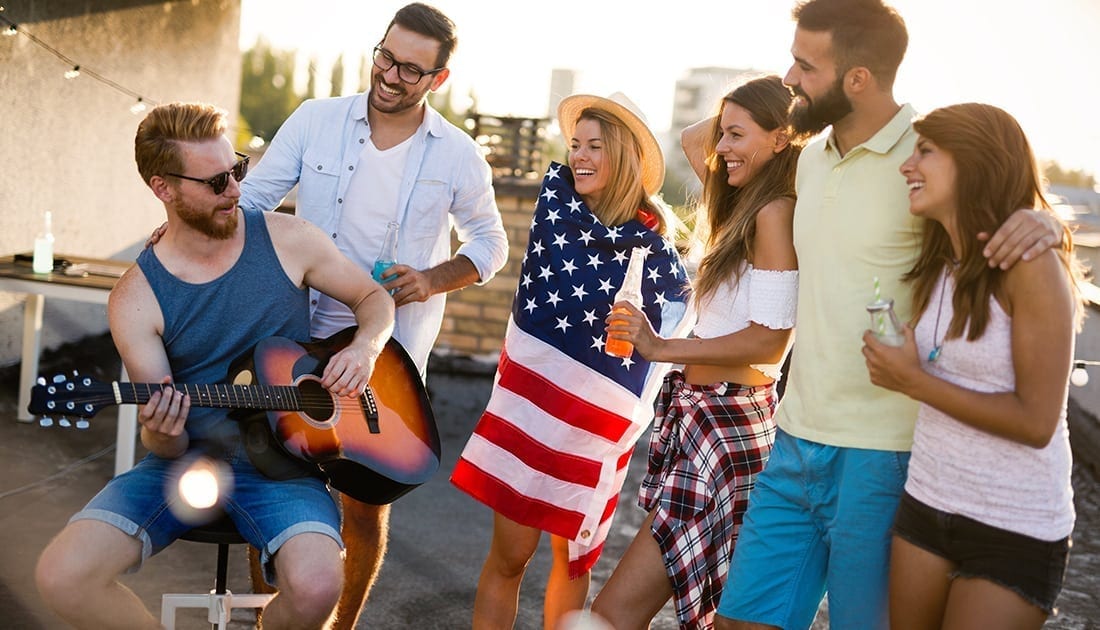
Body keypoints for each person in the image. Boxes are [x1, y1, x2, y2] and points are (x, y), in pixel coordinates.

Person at [713, 1, 1066, 629]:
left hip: (886, 454)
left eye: (805, 65)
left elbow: (997, 208)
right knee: (741, 621)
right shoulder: (808, 157)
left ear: (857, 78)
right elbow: (702, 144)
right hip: (794, 438)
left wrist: (1043, 227)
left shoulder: (926, 157)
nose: (789, 78)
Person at [34, 102, 395, 629]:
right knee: (61, 576)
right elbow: (166, 443)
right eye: (215, 182)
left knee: (318, 587)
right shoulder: (136, 299)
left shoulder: (290, 240)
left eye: (237, 170)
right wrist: (163, 432)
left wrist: (364, 348)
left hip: (284, 466)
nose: (234, 190)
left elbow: (374, 300)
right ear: (164, 189)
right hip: (182, 465)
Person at [235, 3, 509, 625]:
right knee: (271, 481)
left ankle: (342, 626)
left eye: (411, 69)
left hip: (389, 347)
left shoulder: (459, 154)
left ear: (438, 79)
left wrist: (433, 278)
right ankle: (270, 621)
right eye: (386, 56)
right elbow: (253, 201)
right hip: (292, 332)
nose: (391, 75)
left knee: (364, 503)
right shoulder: (315, 120)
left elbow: (490, 245)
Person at [451, 93, 691, 629]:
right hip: (531, 408)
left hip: (595, 428)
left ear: (625, 155)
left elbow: (660, 347)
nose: (579, 156)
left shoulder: (657, 252)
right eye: (575, 144)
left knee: (571, 560)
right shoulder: (555, 211)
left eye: (596, 146)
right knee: (510, 557)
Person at [591, 75, 803, 629]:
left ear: (781, 139)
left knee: (617, 616)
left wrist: (661, 346)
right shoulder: (741, 202)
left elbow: (771, 341)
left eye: (737, 135)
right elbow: (692, 138)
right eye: (724, 133)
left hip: (730, 422)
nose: (721, 147)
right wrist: (778, 101)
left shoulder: (773, 213)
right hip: (702, 419)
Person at [862, 102, 1081, 629]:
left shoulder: (1030, 263)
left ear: (977, 162)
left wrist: (913, 381)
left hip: (1014, 526)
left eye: (926, 151)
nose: (906, 166)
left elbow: (1035, 423)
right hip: (926, 505)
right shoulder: (943, 259)